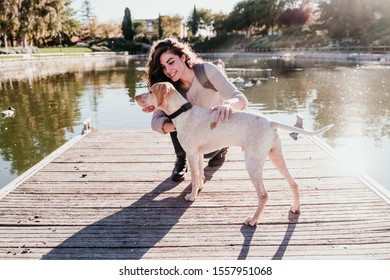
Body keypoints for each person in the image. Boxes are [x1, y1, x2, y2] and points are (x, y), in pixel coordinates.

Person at [144, 38, 248, 182]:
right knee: (177, 117)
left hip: (214, 134)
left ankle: (222, 150)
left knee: (207, 151)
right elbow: (155, 122)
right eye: (163, 67)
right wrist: (180, 124)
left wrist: (228, 105)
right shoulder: (169, 89)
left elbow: (241, 99)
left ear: (183, 57)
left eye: (171, 62)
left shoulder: (207, 71)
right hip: (191, 141)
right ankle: (181, 160)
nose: (168, 70)